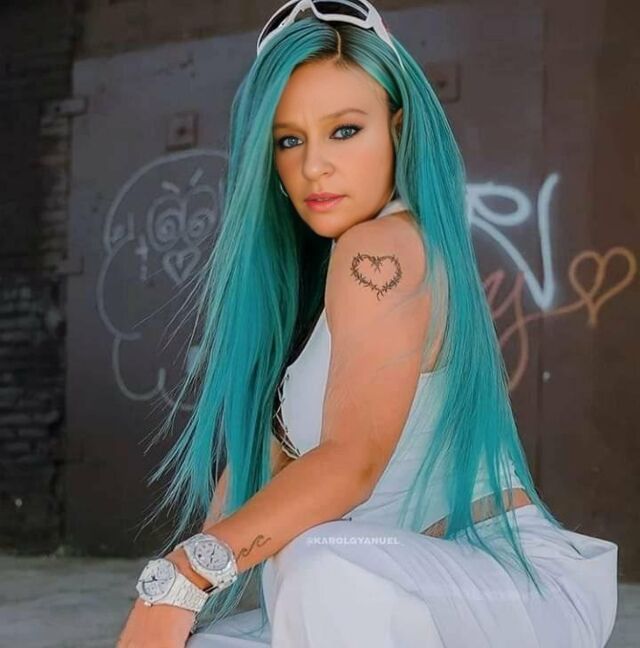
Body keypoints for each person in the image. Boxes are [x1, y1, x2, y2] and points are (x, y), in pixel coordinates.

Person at [117, 1, 619, 646]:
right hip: (379, 597)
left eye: (345, 130)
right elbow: (245, 501)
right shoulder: (307, 304)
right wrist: (170, 604)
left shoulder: (385, 248)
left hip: (495, 591)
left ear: (397, 129)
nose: (314, 166)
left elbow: (351, 463)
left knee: (320, 562)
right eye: (289, 140)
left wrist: (184, 577)